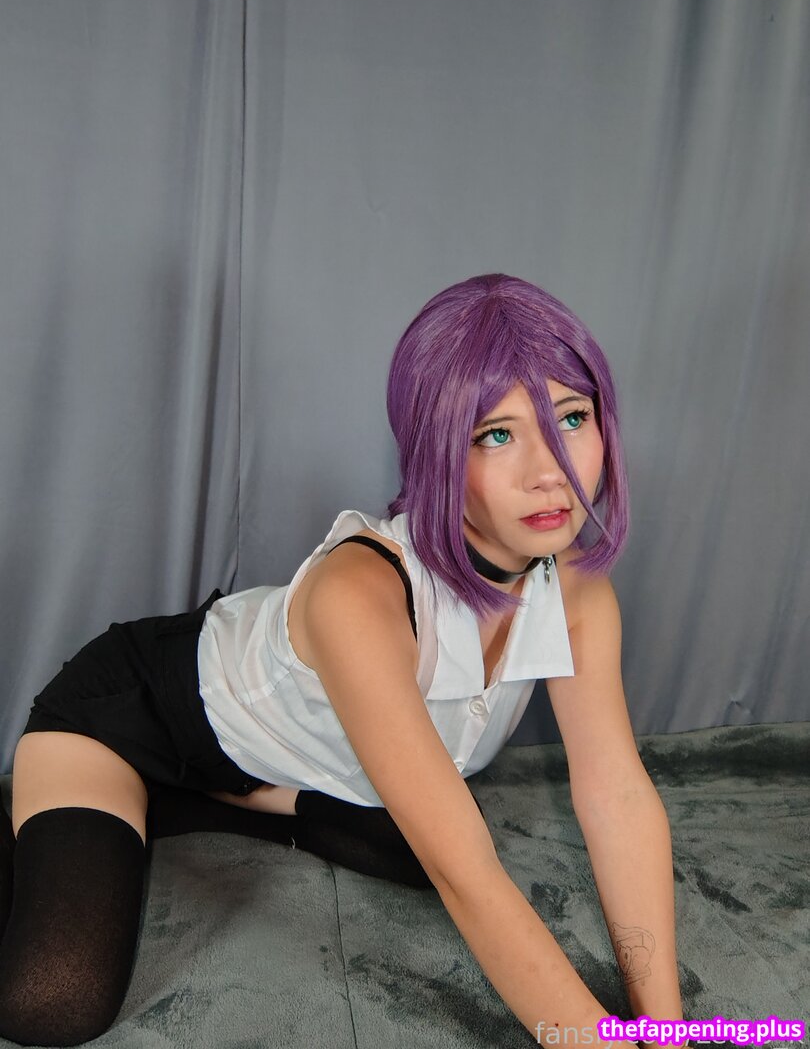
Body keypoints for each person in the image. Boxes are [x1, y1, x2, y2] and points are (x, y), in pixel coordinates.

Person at [0, 273, 683, 1048]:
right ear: (433, 448)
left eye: (571, 417)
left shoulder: (580, 592)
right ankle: (118, 790)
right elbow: (467, 874)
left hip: (269, 760)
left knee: (425, 846)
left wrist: (667, 1030)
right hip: (128, 718)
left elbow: (616, 797)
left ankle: (209, 799)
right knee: (52, 1001)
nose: (550, 469)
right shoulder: (357, 593)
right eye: (496, 434)